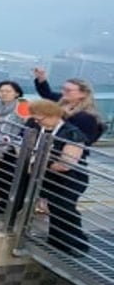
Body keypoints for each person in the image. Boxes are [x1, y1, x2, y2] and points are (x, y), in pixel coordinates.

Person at [30, 99, 90, 256]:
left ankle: (78, 244)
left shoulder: (72, 133)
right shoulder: (40, 128)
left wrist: (41, 161)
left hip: (70, 179)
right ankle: (57, 242)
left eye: (39, 118)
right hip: (49, 178)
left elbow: (65, 165)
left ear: (52, 115)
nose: (37, 122)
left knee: (65, 209)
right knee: (54, 209)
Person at [32, 70, 105, 145]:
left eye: (68, 90)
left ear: (83, 94)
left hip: (66, 148)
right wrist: (41, 79)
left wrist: (61, 117)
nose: (63, 92)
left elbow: (78, 138)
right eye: (63, 89)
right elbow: (47, 94)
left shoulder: (87, 116)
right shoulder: (62, 100)